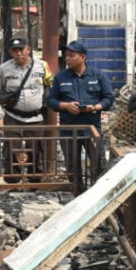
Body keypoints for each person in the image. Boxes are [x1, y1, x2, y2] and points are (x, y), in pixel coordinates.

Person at [48, 40, 116, 191]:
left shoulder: (98, 76)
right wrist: (66, 106)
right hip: (68, 129)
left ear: (83, 57)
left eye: (71, 56)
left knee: (98, 163)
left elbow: (109, 98)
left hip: (91, 128)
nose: (67, 59)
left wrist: (95, 107)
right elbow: (51, 100)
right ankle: (77, 196)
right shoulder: (61, 77)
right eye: (66, 56)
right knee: (73, 166)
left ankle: (98, 194)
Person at [0, 36, 53, 177]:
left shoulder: (42, 66)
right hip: (13, 117)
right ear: (10, 52)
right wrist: (6, 111)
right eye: (14, 50)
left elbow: (49, 85)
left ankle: (34, 180)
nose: (18, 53)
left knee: (36, 149)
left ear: (28, 50)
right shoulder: (4, 69)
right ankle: (13, 178)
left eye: (21, 49)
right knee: (13, 149)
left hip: (35, 117)